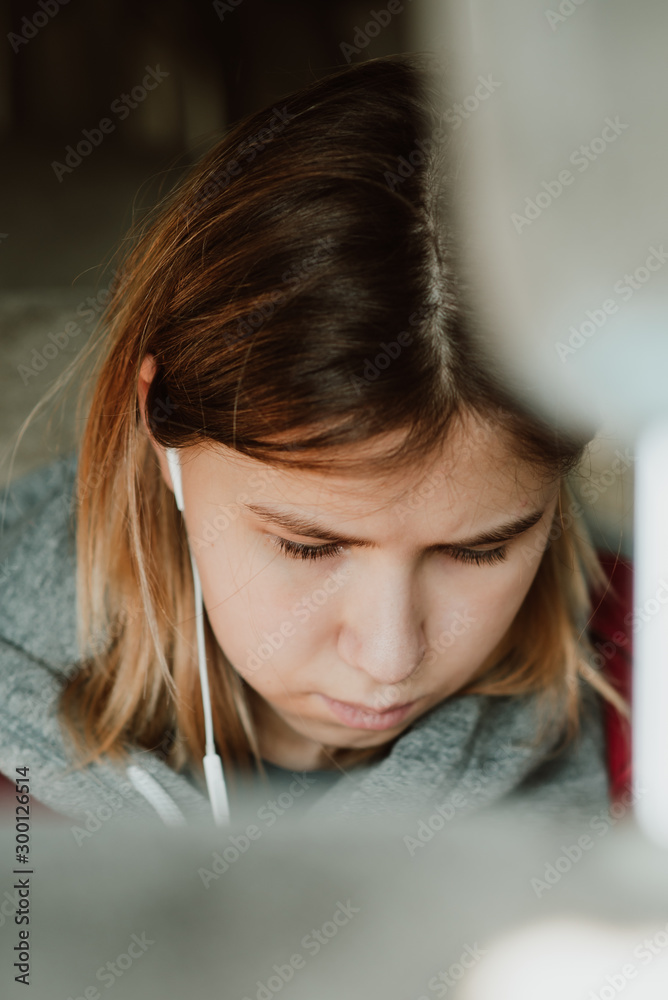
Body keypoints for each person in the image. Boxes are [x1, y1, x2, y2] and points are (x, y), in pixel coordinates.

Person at [0, 53, 629, 832]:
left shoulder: (645, 702)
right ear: (160, 428)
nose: (389, 658)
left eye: (479, 551)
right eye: (307, 547)